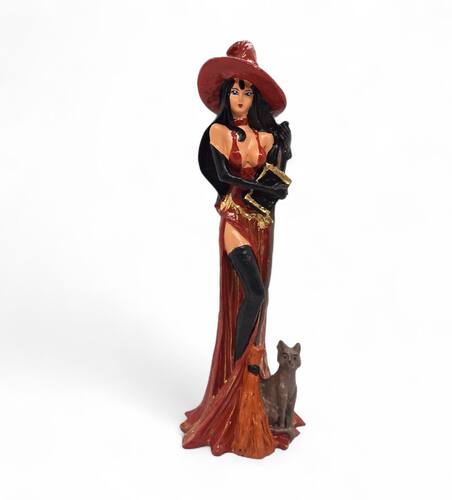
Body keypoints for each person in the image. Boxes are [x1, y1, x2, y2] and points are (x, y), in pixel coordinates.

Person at [180, 41, 304, 458]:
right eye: (234, 90)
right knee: (254, 291)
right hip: (234, 219)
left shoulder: (265, 136)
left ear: (255, 98)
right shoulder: (218, 133)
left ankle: (252, 375)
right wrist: (258, 186)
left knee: (260, 298)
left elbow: (277, 181)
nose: (240, 98)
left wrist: (285, 150)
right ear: (225, 94)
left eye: (247, 92)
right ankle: (237, 371)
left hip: (263, 223)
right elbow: (223, 175)